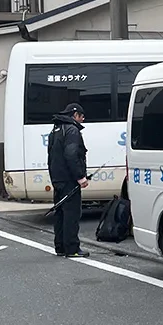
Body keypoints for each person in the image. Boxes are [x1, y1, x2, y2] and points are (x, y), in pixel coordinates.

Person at [48, 102, 90, 257]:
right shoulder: (72, 130)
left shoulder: (56, 129)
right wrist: (80, 176)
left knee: (60, 214)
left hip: (57, 178)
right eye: (81, 116)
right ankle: (72, 248)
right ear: (75, 115)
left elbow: (51, 156)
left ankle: (60, 247)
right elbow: (71, 154)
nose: (83, 119)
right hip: (69, 180)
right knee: (72, 214)